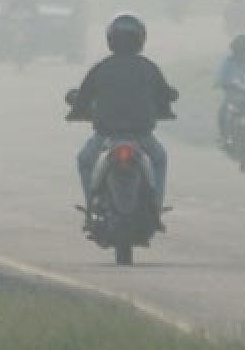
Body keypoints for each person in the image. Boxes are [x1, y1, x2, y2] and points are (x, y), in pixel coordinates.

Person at [68, 14, 178, 227]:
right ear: (140, 39)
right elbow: (164, 97)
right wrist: (165, 109)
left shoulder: (100, 68)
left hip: (106, 134)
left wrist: (76, 112)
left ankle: (92, 206)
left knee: (85, 160)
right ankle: (155, 208)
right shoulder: (149, 68)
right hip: (141, 135)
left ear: (111, 40)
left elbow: (82, 99)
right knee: (159, 159)